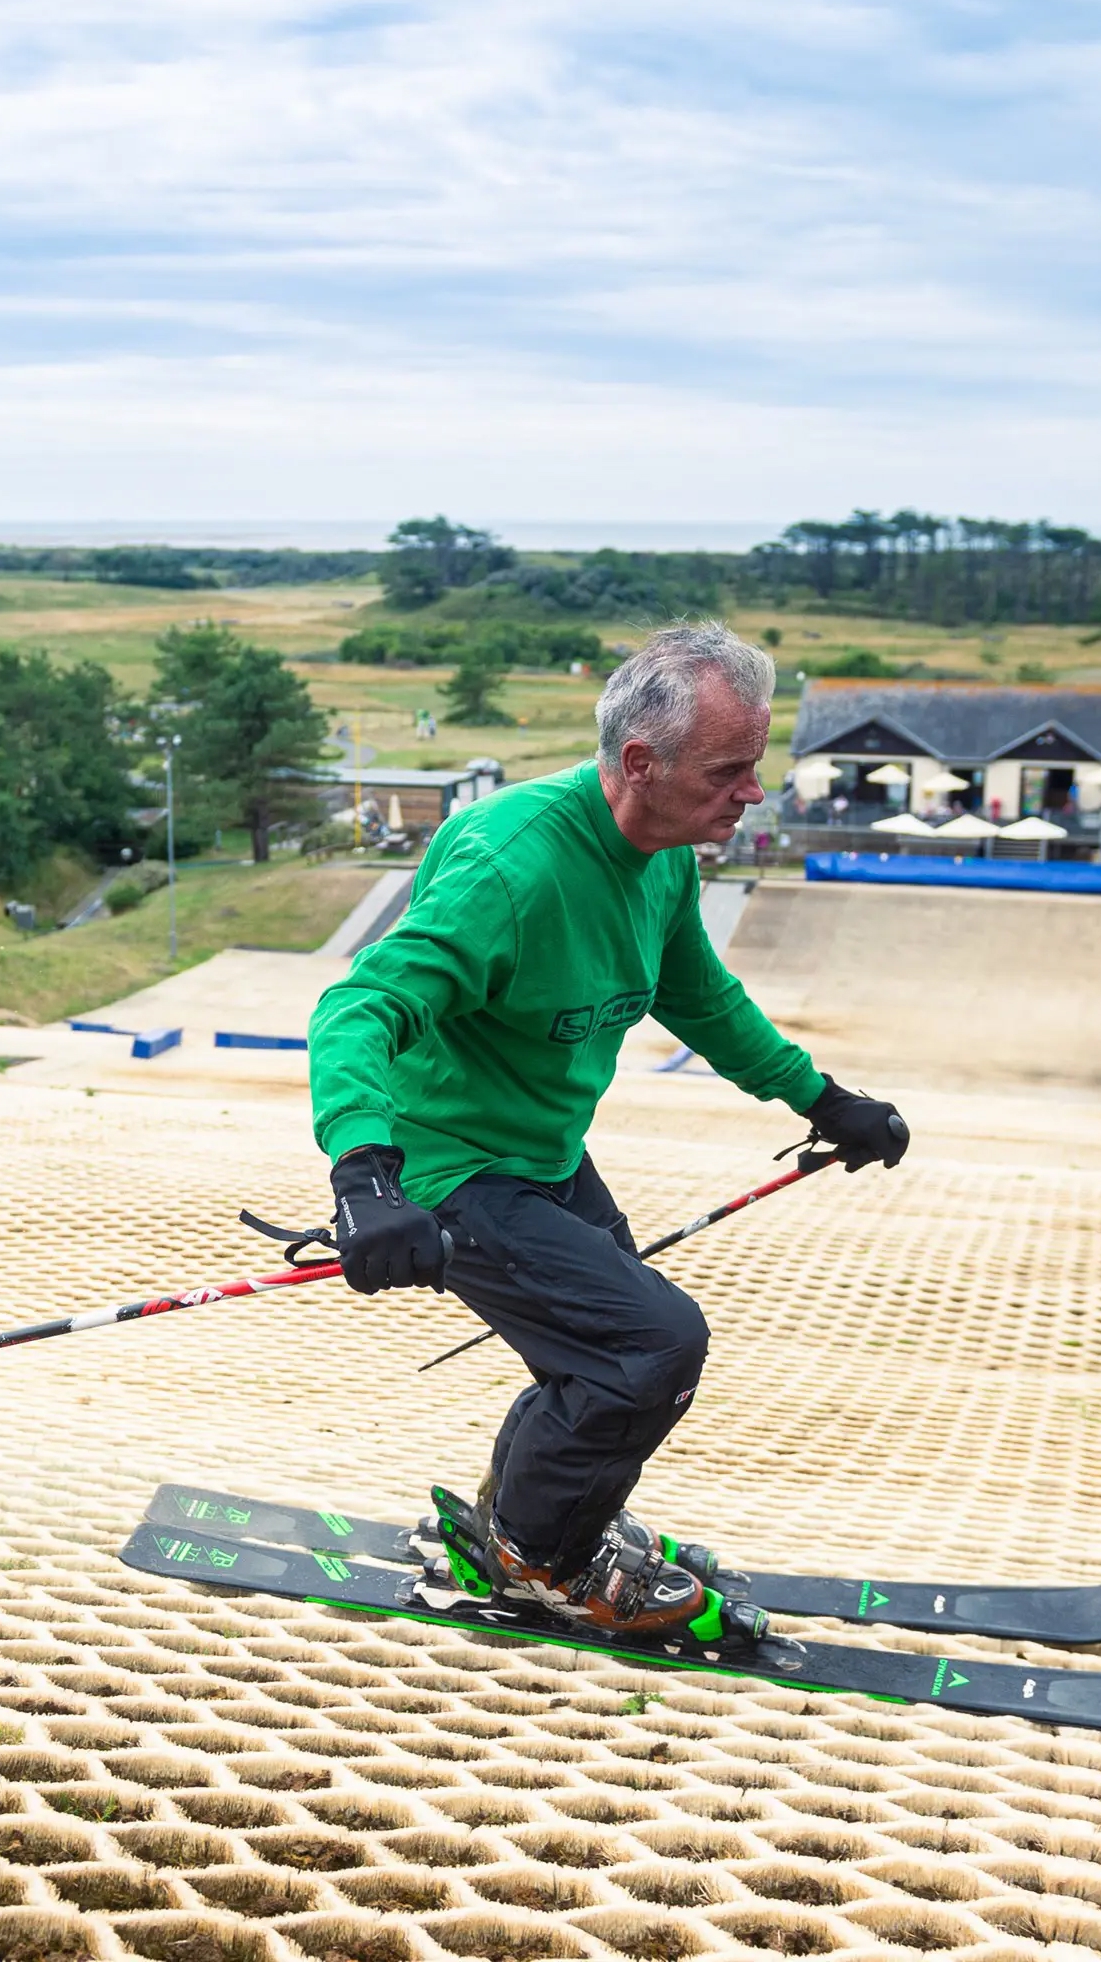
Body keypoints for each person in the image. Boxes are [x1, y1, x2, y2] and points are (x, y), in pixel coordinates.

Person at [306, 624, 908, 1641]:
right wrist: (365, 1174)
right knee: (648, 1344)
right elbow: (359, 1007)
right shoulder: (512, 866)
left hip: (545, 1153)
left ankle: (526, 1521)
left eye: (754, 764)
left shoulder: (661, 856)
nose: (752, 792)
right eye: (727, 770)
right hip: (449, 1167)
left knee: (599, 1353)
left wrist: (819, 1098)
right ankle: (541, 1556)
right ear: (641, 762)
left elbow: (698, 995)